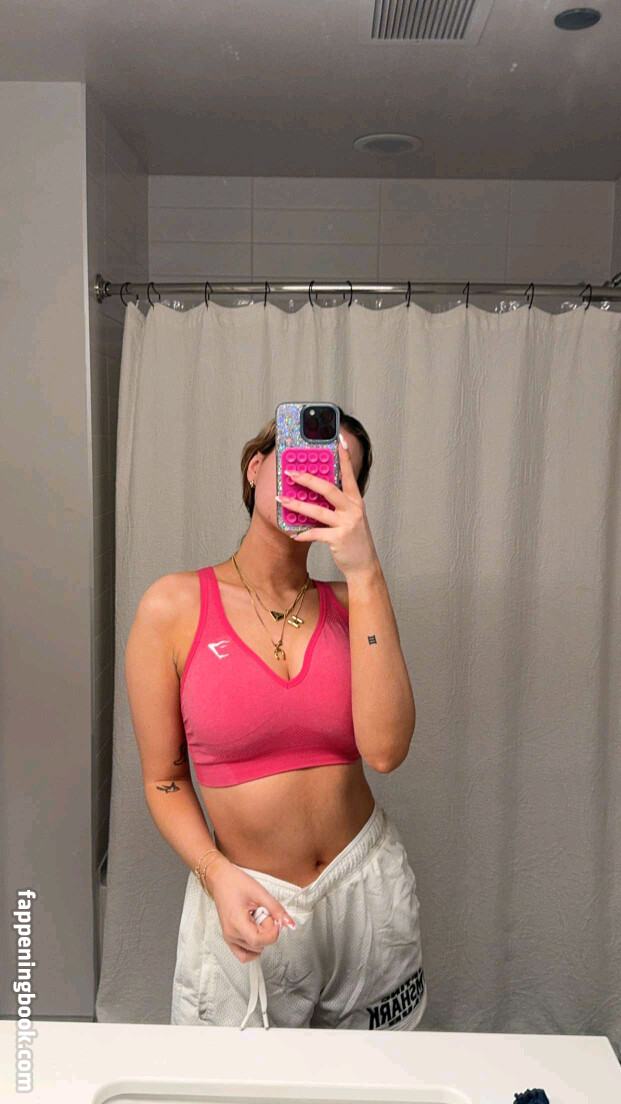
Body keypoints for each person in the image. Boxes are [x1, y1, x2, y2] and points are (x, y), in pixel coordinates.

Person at [125, 406, 427, 1030]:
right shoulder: (172, 606)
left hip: (365, 887)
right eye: (300, 454)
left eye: (337, 470)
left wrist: (365, 570)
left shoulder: (356, 599)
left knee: (379, 1078)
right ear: (255, 467)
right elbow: (164, 779)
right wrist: (216, 875)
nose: (313, 474)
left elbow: (386, 752)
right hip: (247, 895)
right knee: (226, 1081)